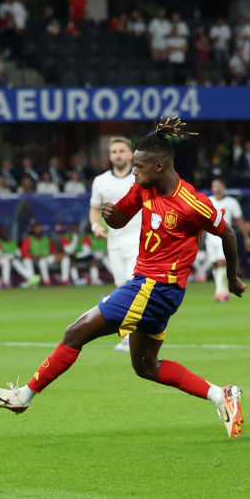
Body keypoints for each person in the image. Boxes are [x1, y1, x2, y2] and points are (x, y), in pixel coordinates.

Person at [0, 118, 246, 438]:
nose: (134, 172)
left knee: (76, 332)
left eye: (139, 166)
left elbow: (228, 233)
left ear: (160, 166)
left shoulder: (192, 202)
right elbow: (121, 219)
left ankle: (21, 397)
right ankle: (223, 395)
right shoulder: (143, 188)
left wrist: (232, 278)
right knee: (146, 367)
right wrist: (112, 215)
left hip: (156, 287)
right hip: (152, 287)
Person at [89, 136, 143, 351]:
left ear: (131, 154)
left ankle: (133, 336)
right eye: (114, 152)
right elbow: (94, 208)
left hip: (138, 241)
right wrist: (95, 226)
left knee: (132, 285)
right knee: (122, 288)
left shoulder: (140, 177)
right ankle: (133, 334)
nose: (118, 155)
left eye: (122, 151)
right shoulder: (100, 181)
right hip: (114, 242)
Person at [195, 179, 246, 302]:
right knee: (215, 264)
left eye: (219, 186)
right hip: (210, 238)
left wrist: (246, 238)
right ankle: (222, 292)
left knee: (223, 261)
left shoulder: (231, 202)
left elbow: (239, 221)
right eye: (214, 186)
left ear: (224, 187)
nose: (217, 188)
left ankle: (219, 292)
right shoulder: (208, 201)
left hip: (224, 237)